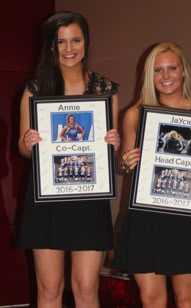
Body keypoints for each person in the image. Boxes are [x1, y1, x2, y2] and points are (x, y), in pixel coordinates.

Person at [18, 11, 120, 308]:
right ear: (51, 46)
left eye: (76, 40)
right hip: (46, 197)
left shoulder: (105, 90)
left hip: (90, 197)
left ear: (86, 42)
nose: (69, 48)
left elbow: (108, 146)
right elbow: (23, 149)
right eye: (60, 42)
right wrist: (28, 142)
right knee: (49, 289)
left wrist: (114, 143)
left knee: (87, 288)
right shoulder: (35, 89)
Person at [114, 42, 191, 308]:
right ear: (149, 75)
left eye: (171, 68)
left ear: (183, 71)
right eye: (158, 70)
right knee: (151, 300)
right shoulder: (135, 115)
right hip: (146, 219)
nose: (165, 76)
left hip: (187, 219)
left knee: (187, 301)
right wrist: (126, 163)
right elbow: (123, 165)